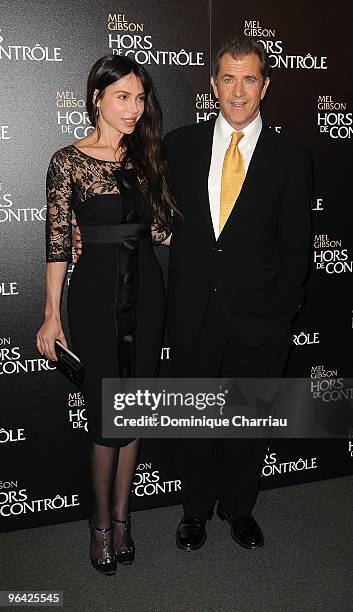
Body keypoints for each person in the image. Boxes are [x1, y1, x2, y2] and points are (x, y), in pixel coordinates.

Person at [164, 36, 312, 551]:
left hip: (260, 319)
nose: (239, 90)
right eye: (228, 77)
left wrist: (281, 312)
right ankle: (195, 511)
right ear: (213, 84)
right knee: (196, 421)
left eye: (250, 78)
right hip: (194, 314)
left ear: (265, 86)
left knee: (248, 424)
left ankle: (239, 508)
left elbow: (298, 248)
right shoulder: (178, 147)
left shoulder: (291, 159)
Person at [36, 55, 175, 575]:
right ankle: (98, 525)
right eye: (122, 96)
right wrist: (51, 315)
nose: (134, 108)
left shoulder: (148, 157)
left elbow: (161, 233)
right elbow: (55, 242)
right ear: (96, 97)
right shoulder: (66, 162)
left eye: (140, 98)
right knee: (103, 417)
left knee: (133, 408)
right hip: (94, 298)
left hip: (148, 294)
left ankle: (123, 520)